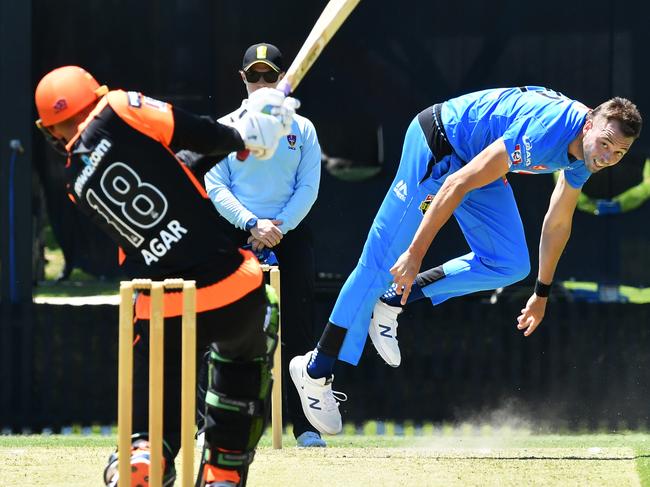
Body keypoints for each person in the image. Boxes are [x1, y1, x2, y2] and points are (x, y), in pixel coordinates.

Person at [289, 86, 643, 435]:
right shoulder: (544, 132)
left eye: (619, 152)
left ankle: (394, 300)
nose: (608, 156)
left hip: (475, 161)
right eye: (605, 143)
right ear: (587, 126)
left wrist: (542, 291)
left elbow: (559, 220)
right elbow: (456, 184)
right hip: (440, 144)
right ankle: (315, 370)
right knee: (379, 266)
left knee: (510, 263)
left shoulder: (585, 154)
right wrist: (413, 254)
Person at [34, 65, 298, 487]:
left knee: (162, 402)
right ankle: (223, 468)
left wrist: (243, 135)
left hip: (161, 303)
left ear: (52, 130)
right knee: (244, 353)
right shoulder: (118, 106)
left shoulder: (74, 181)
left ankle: (145, 455)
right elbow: (192, 133)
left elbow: (175, 168)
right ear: (96, 93)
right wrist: (246, 134)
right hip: (230, 286)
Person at [201, 42, 323, 447]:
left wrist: (278, 227)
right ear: (242, 79)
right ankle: (210, 425)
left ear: (283, 79)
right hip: (236, 231)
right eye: (253, 76)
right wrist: (252, 223)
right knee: (223, 325)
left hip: (290, 233)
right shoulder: (225, 125)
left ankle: (305, 426)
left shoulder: (302, 128)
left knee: (299, 328)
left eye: (269, 75)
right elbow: (215, 185)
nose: (260, 83)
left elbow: (308, 186)